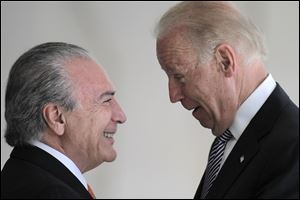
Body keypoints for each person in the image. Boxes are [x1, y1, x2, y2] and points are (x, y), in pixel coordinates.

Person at [155, 1, 298, 199]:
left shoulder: (292, 147)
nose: (173, 95)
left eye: (179, 76)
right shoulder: (228, 140)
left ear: (224, 61)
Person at [1, 42, 127, 199]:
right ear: (57, 118)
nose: (121, 116)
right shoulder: (54, 194)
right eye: (106, 100)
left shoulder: (22, 176)